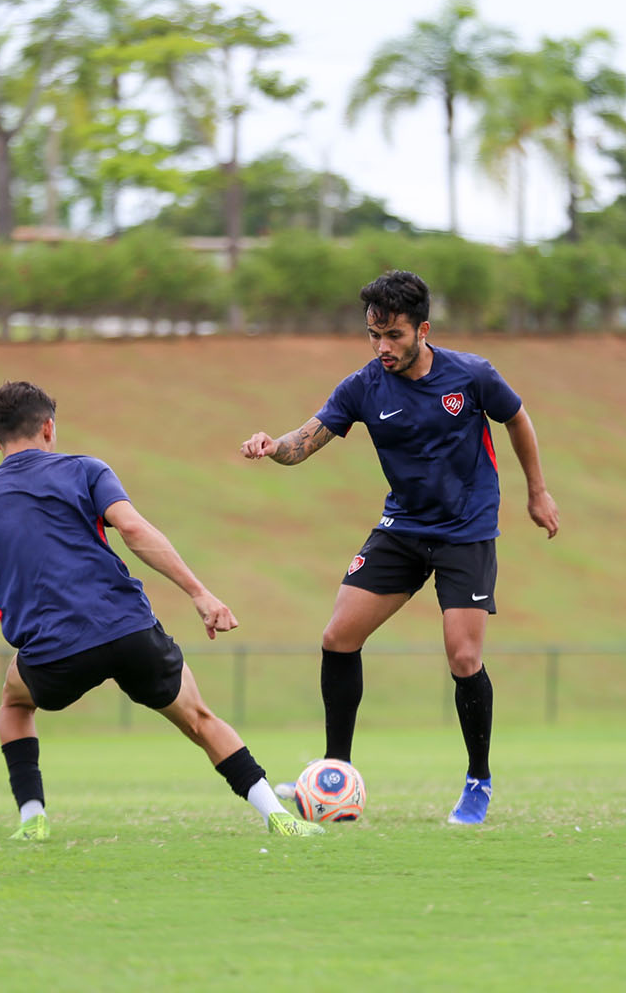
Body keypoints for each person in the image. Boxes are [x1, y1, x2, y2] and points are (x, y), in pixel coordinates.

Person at [0, 382, 324, 839]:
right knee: (200, 718)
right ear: (48, 428)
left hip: (50, 653)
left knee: (14, 702)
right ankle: (275, 815)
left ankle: (32, 819)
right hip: (128, 631)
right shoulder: (85, 470)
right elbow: (134, 530)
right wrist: (200, 594)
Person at [240, 269, 559, 826]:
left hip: (466, 530)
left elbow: (518, 419)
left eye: (393, 336)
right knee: (338, 637)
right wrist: (273, 447)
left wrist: (537, 491)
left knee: (463, 657)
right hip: (403, 528)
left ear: (423, 330)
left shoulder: (472, 375)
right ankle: (334, 775)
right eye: (373, 335)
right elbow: (304, 441)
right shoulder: (363, 386)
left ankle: (478, 781)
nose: (382, 347)